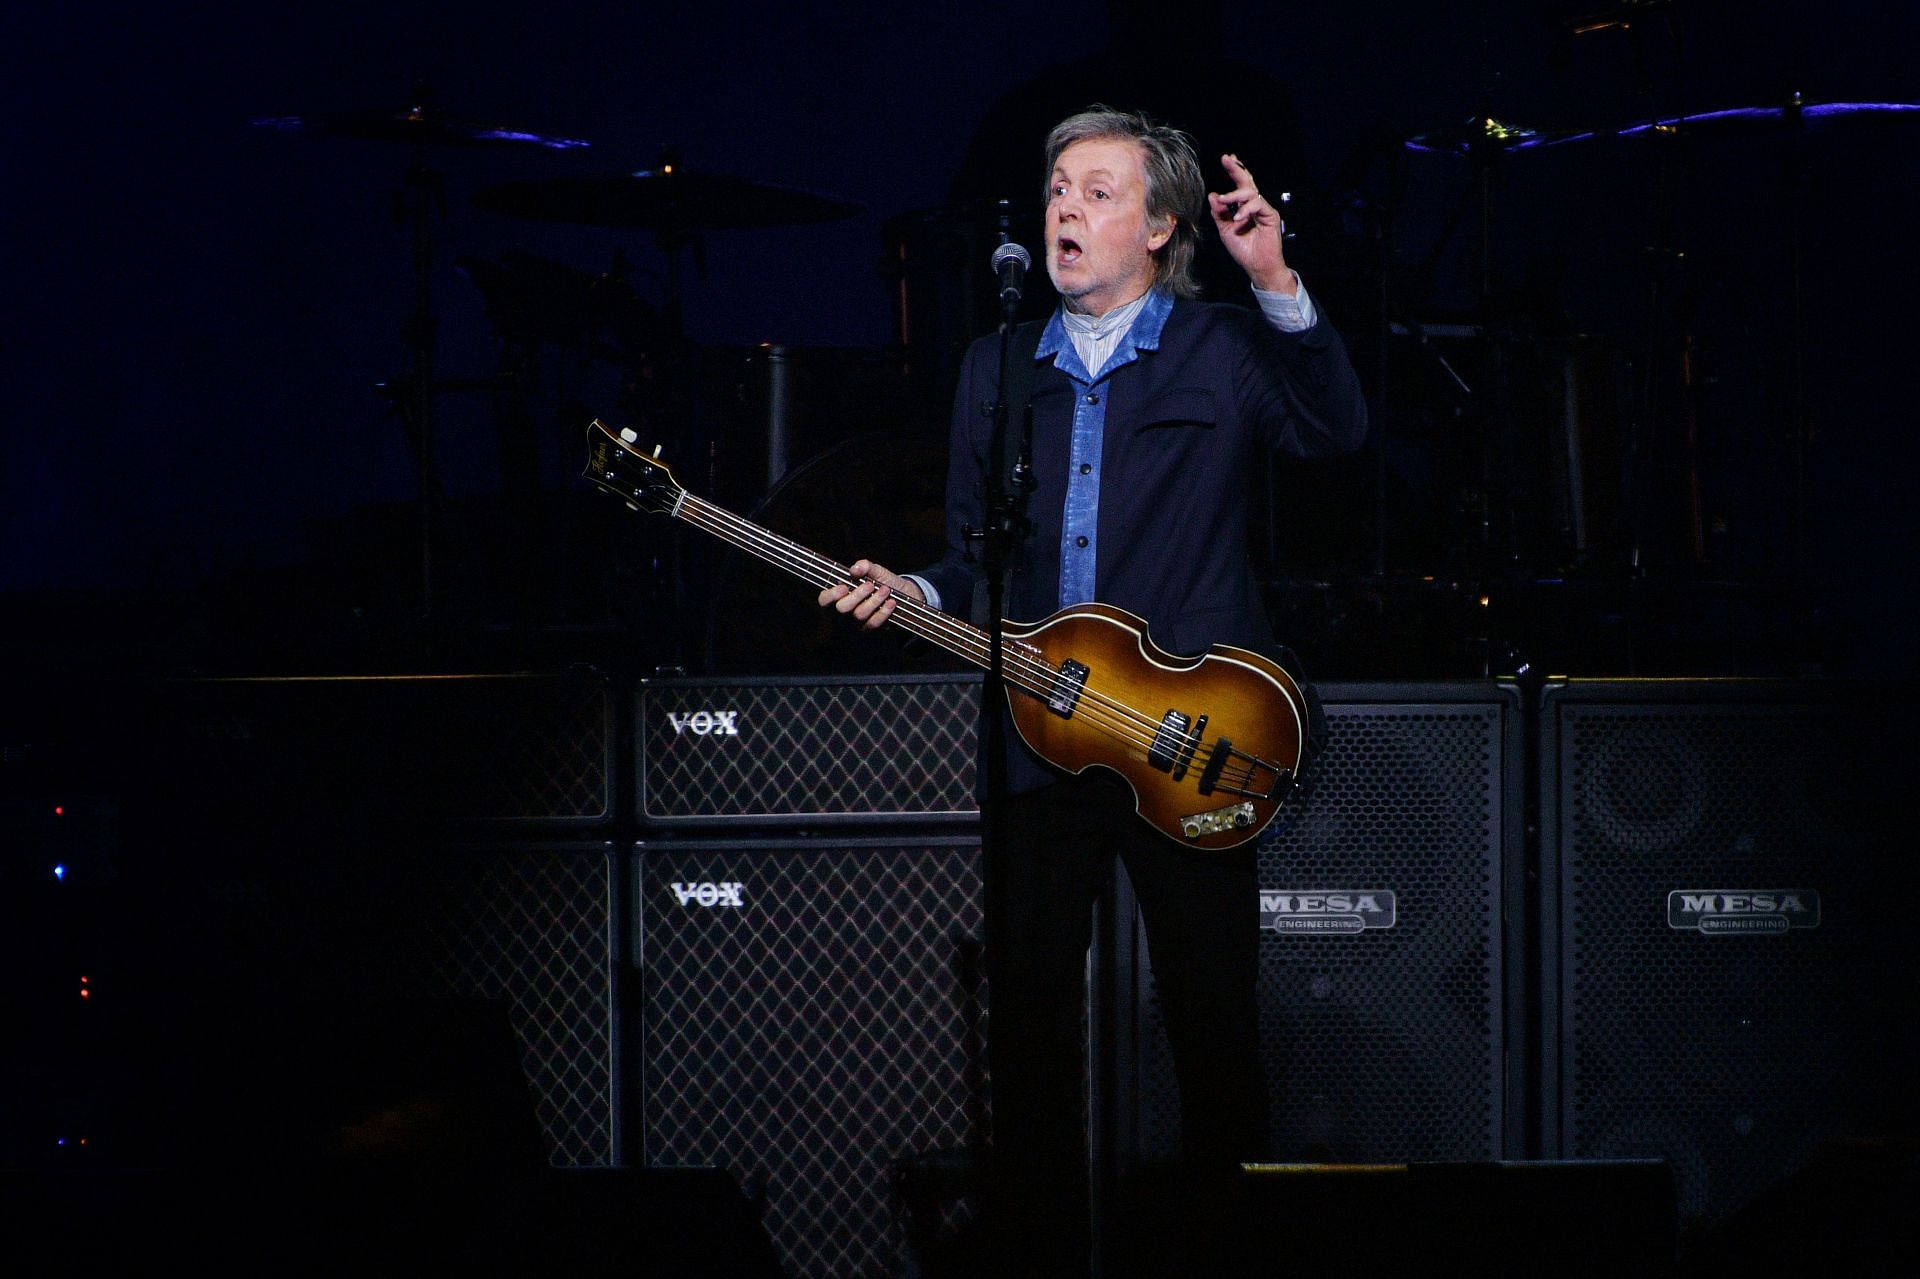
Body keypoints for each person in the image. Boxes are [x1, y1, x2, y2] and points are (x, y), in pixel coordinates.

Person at [820, 106, 1367, 1276]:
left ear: (1162, 226)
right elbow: (978, 558)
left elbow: (1336, 428)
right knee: (1027, 1040)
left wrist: (1275, 279)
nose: (1066, 207)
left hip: (1187, 735)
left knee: (1214, 1026)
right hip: (1038, 738)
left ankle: (1229, 1257)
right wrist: (913, 584)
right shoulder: (996, 367)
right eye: (1059, 188)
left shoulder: (1221, 348)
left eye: (1100, 191)